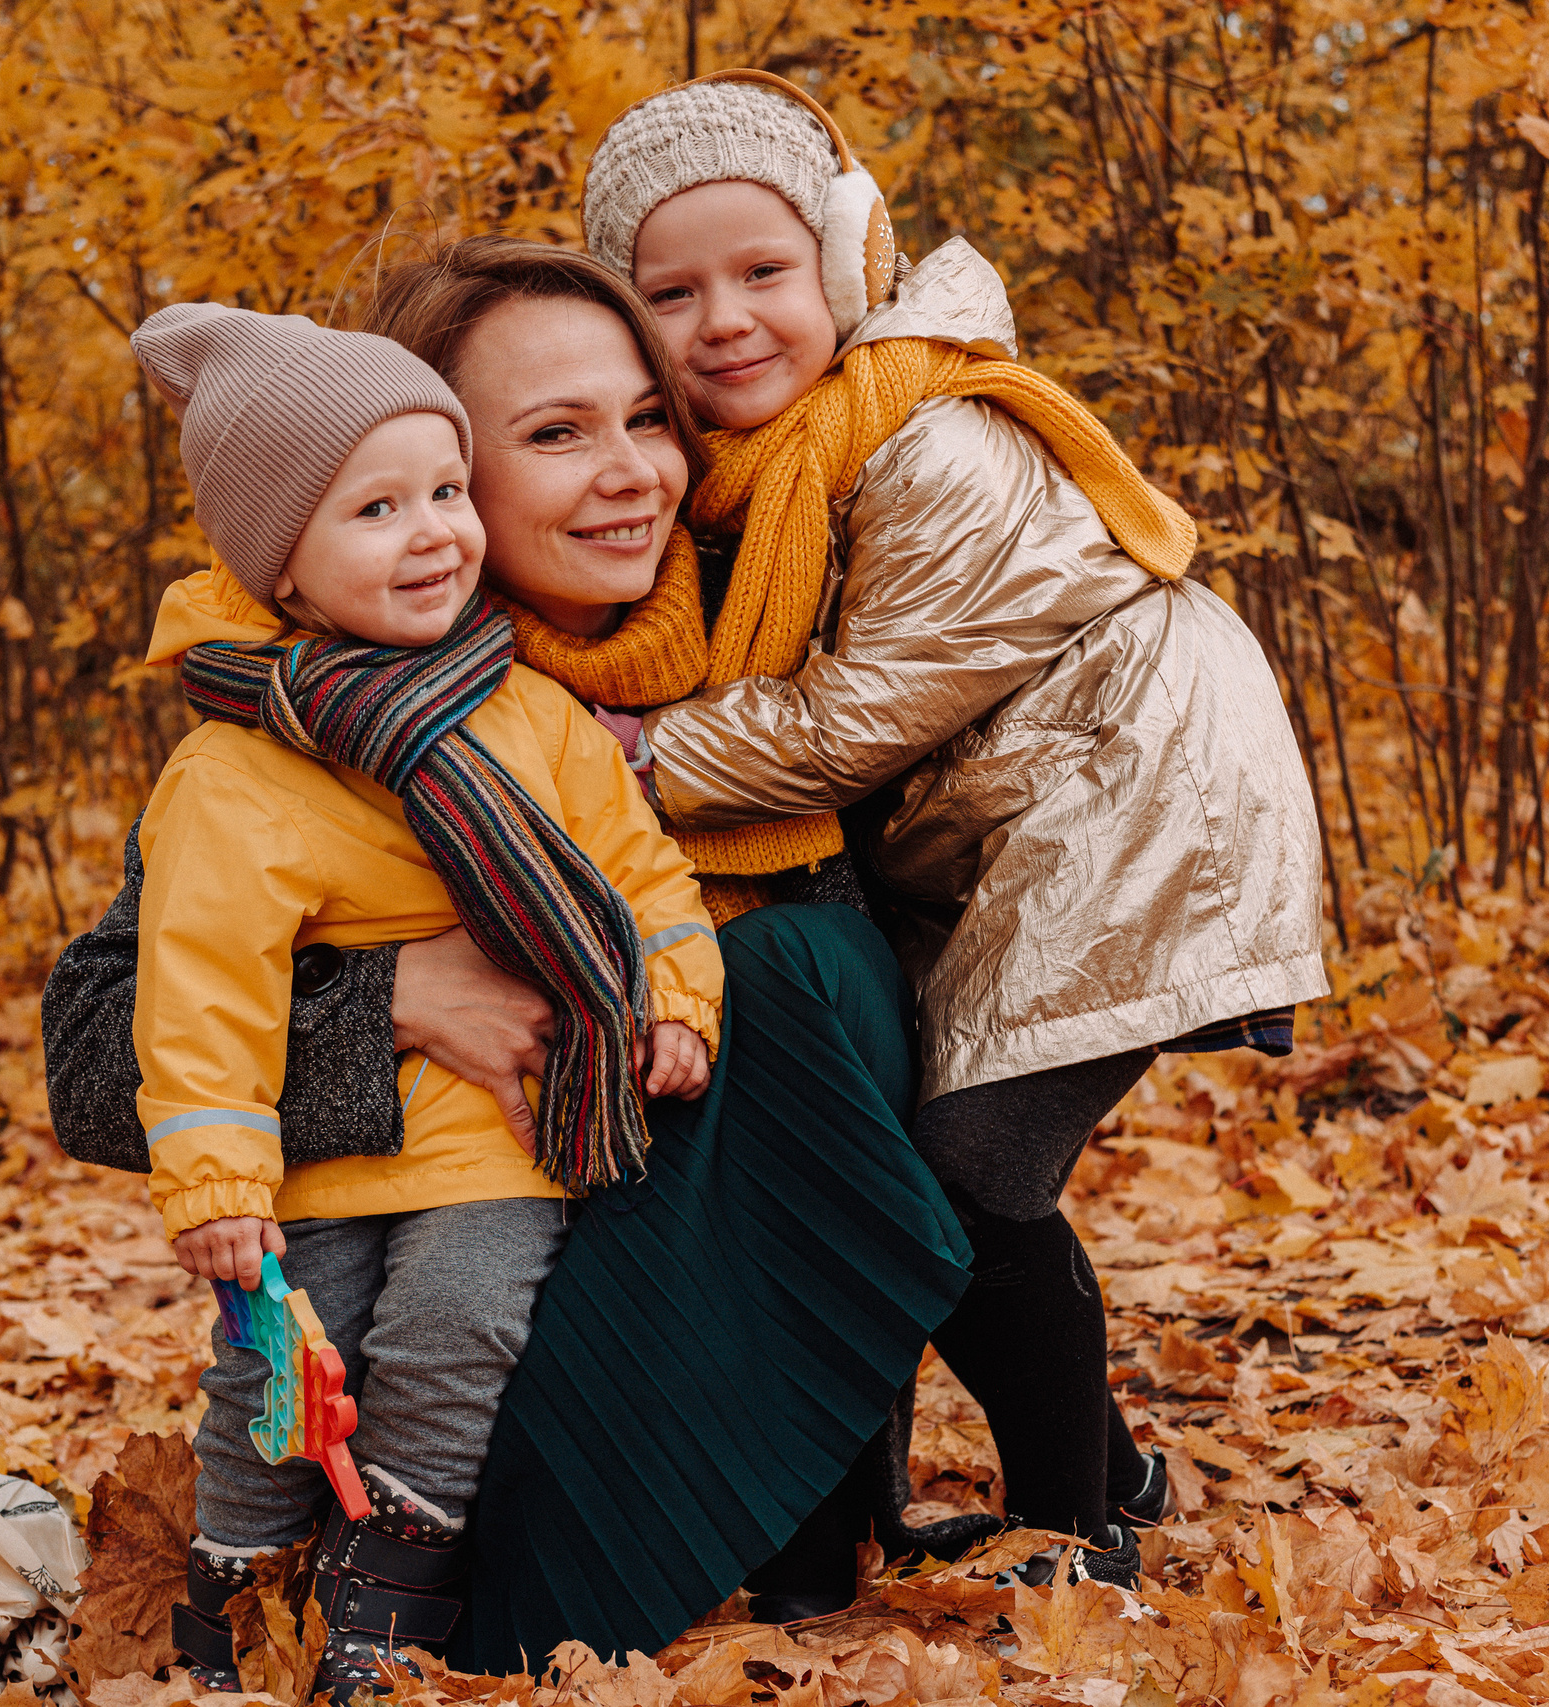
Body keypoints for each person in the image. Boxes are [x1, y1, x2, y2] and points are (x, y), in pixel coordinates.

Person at [44, 246, 973, 1679]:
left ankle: (782, 1526)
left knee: (803, 963)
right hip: (470, 1299)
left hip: (704, 1273)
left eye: (649, 419)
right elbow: (102, 1052)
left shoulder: (798, 638)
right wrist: (392, 998)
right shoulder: (302, 709)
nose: (631, 474)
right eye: (553, 434)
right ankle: (363, 1581)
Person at [574, 70, 1333, 1593]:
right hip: (1019, 820)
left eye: (765, 272)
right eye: (673, 289)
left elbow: (865, 715)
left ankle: (1084, 1521)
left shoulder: (930, 433)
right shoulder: (760, 475)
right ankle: (1092, 1473)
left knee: (963, 1177)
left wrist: (632, 760)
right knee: (914, 1162)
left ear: (848, 262)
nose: (725, 317)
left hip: (1132, 796)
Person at [120, 301, 723, 1697]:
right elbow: (197, 991)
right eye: (375, 509)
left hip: (501, 1134)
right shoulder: (235, 771)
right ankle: (239, 1588)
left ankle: (391, 1598)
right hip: (322, 1158)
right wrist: (215, 1181)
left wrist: (678, 996)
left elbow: (647, 884)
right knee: (279, 1371)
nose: (436, 531)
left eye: (446, 491)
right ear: (278, 565)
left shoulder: (531, 715)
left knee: (453, 1336)